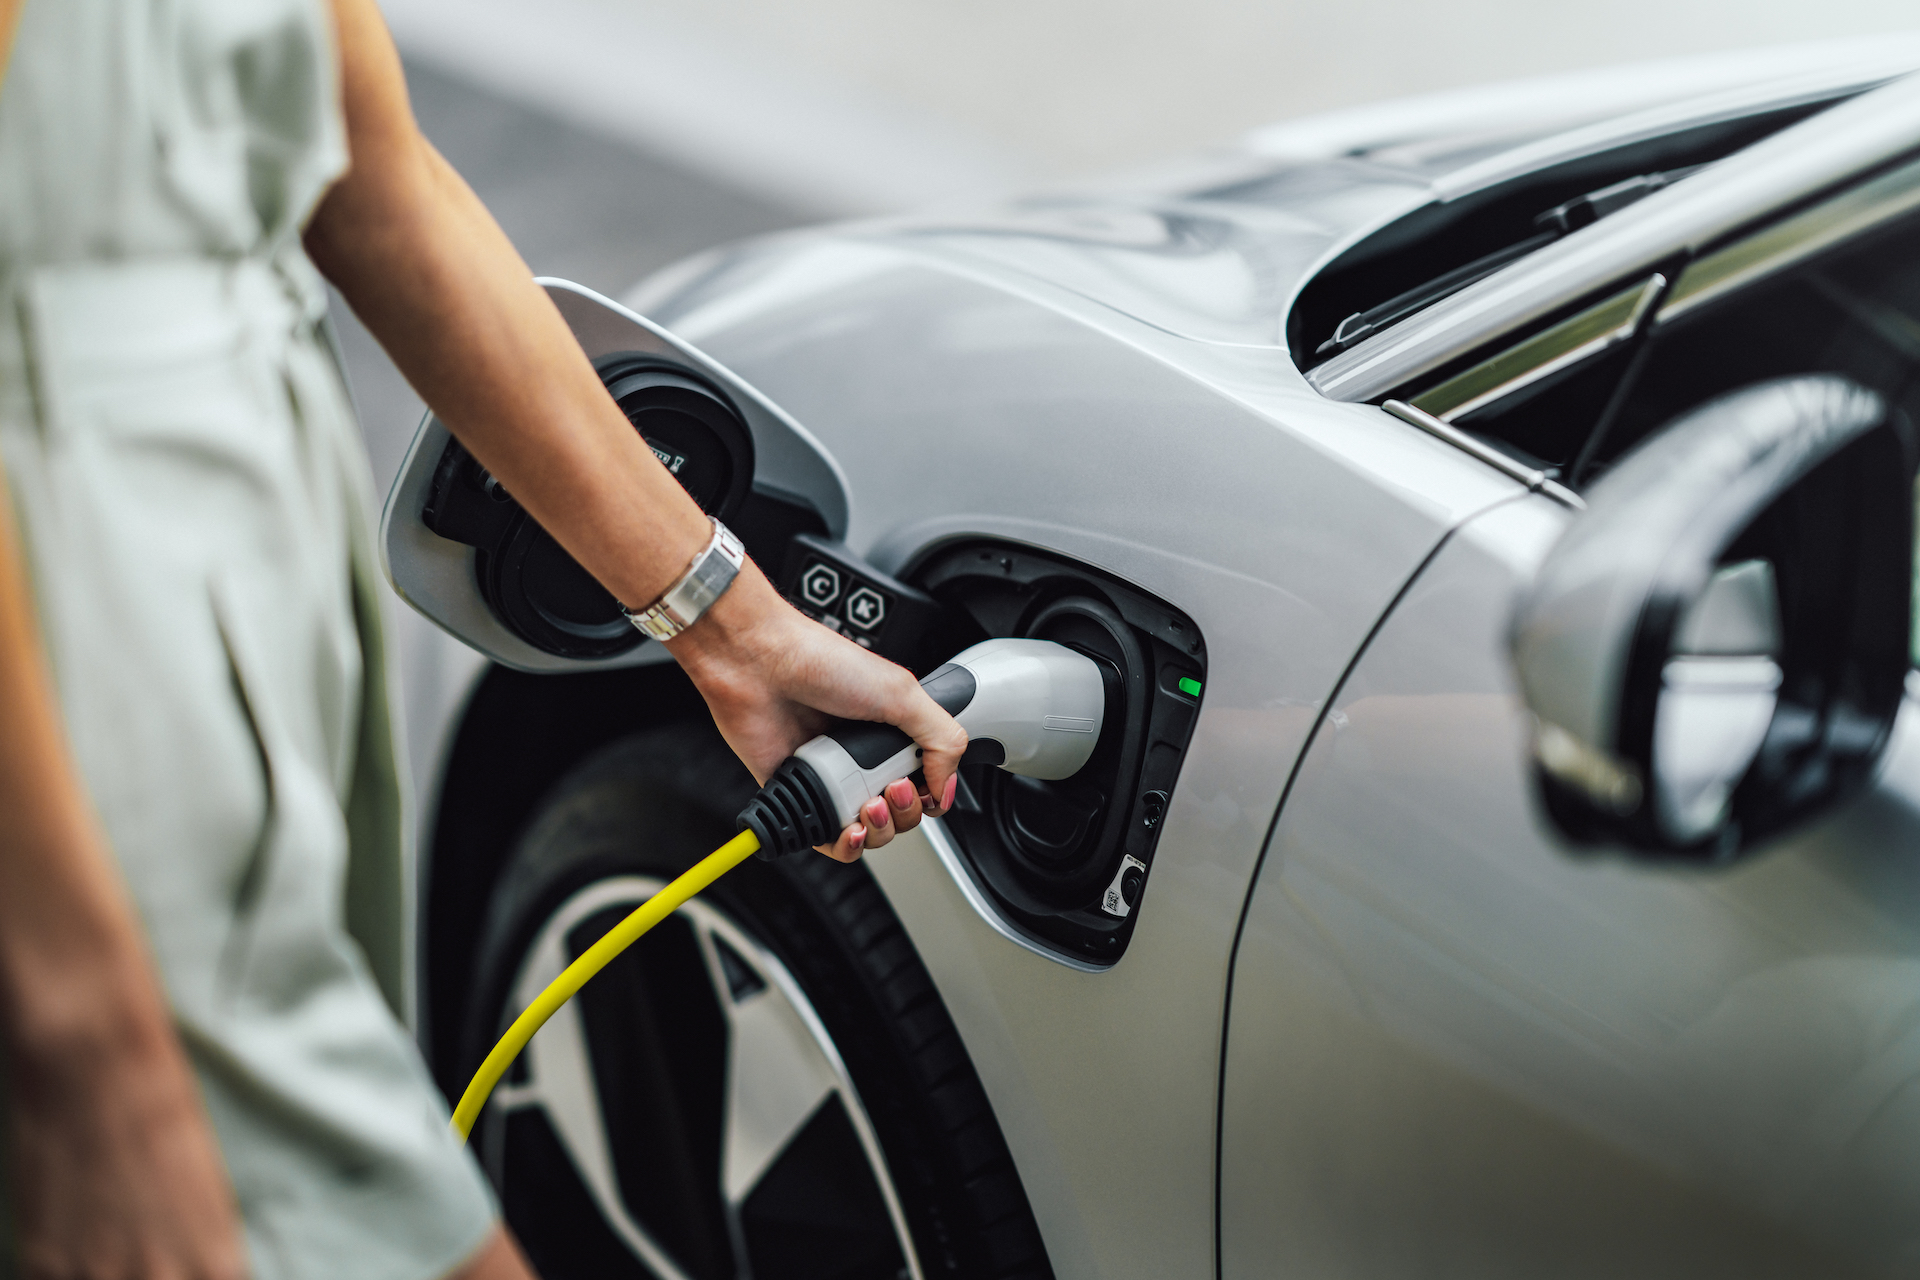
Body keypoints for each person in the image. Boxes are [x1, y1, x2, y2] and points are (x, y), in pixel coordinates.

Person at [0, 0, 966, 1274]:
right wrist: (84, 1045)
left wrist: (732, 626)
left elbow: (374, 169)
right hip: (76, 686)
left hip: (239, 612)